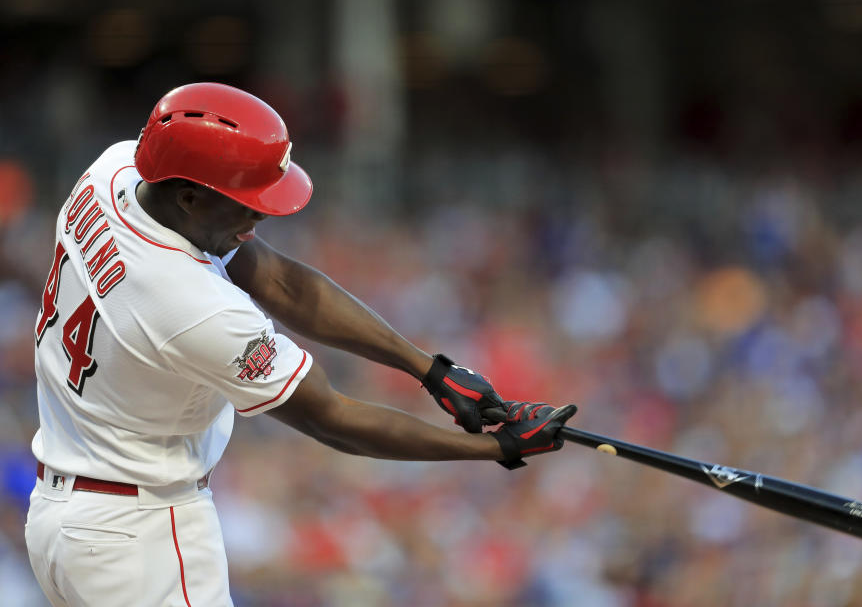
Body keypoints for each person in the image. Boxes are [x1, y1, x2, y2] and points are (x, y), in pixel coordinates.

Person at [25, 82, 576, 606]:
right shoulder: (191, 304)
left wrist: (429, 369)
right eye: (245, 201)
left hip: (69, 517)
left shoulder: (117, 171)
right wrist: (494, 449)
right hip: (137, 537)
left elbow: (278, 280)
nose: (260, 214)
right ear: (190, 198)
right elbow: (330, 417)